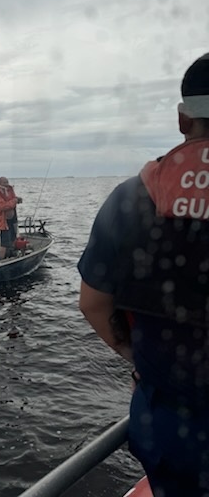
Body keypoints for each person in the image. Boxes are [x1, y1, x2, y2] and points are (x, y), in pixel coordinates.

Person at [78, 52, 209, 497]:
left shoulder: (131, 198)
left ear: (182, 119)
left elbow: (93, 303)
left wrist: (144, 362)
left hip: (168, 422)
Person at [0, 176, 22, 259]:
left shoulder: (7, 192)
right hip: (4, 222)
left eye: (7, 182)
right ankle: (1, 258)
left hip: (12, 220)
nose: (6, 184)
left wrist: (17, 200)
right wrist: (14, 201)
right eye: (4, 183)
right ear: (0, 183)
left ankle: (11, 253)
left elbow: (11, 201)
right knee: (4, 243)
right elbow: (3, 206)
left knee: (13, 238)